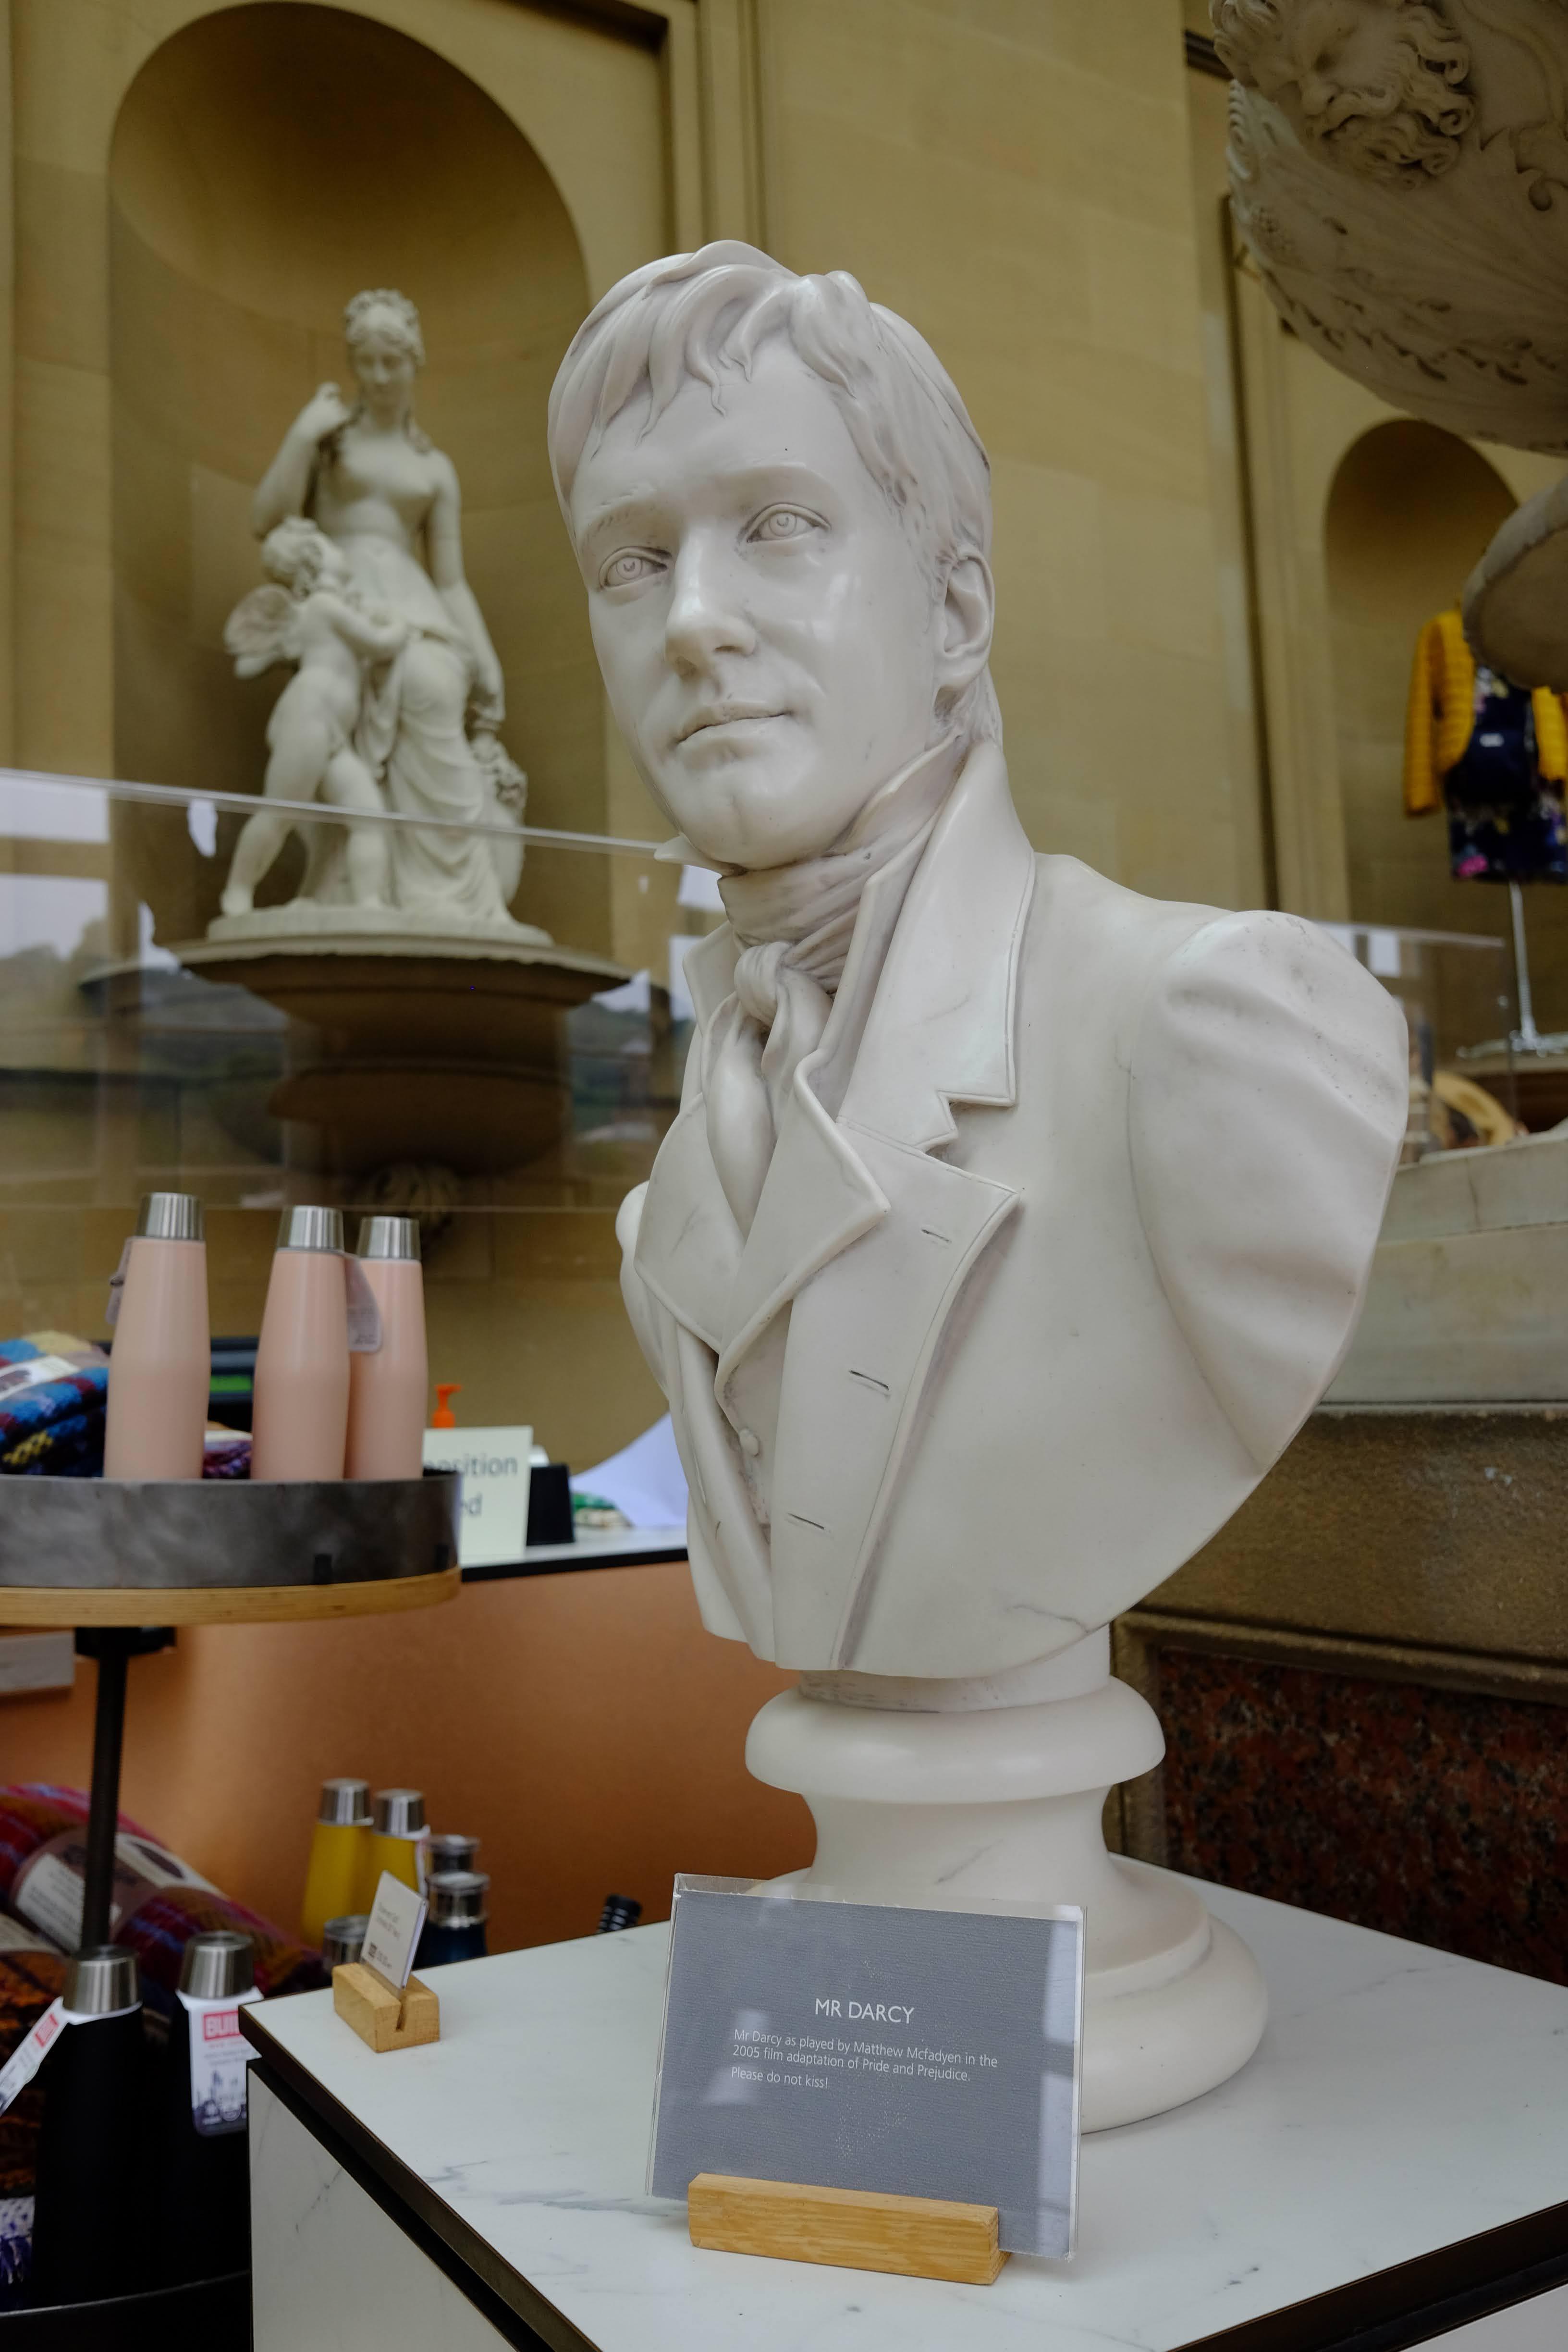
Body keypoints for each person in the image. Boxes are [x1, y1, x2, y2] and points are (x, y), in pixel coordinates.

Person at [547, 243, 1408, 1681]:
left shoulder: (1205, 1023)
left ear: (954, 615)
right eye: (631, 563)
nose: (690, 620)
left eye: (776, 525)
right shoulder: (688, 1172)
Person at [251, 289, 524, 925]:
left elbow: (451, 581)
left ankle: (452, 895)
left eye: (391, 362)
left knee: (433, 685)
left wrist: (486, 657)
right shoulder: (329, 442)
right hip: (342, 598)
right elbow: (267, 519)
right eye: (366, 362)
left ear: (414, 362)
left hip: (415, 607)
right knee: (340, 709)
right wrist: (301, 435)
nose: (377, 377)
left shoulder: (436, 468)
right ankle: (349, 887)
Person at [220, 519, 404, 916]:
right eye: (330, 545)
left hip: (332, 731)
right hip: (308, 718)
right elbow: (381, 645)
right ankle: (237, 892)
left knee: (369, 817)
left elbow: (249, 667)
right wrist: (399, 625)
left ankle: (369, 902)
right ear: (315, 558)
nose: (341, 551)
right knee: (281, 813)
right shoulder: (323, 606)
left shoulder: (318, 612)